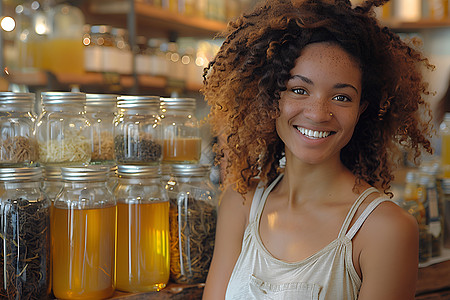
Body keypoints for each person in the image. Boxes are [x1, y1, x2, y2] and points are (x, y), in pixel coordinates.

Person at [201, 0, 434, 299]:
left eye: (342, 97)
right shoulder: (240, 204)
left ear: (362, 109)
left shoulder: (384, 229)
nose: (318, 113)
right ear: (270, 97)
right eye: (299, 90)